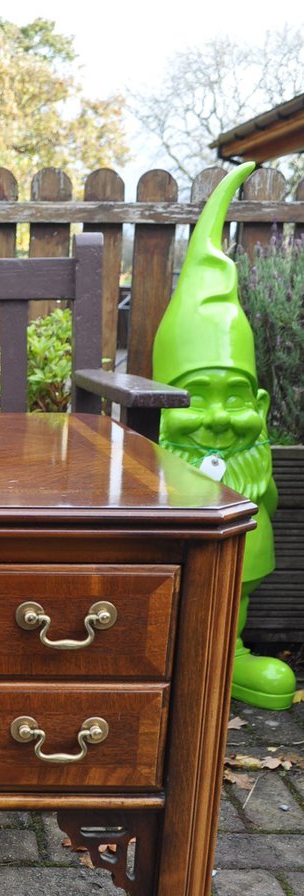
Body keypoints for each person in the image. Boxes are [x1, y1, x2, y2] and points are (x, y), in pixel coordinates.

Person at [153, 162, 295, 710]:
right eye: (191, 399)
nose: (216, 418)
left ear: (259, 405)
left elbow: (272, 501)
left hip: (244, 554)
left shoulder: (252, 465)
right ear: (160, 405)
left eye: (234, 398)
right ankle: (163, 648)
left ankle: (227, 652)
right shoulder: (157, 459)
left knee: (242, 577)